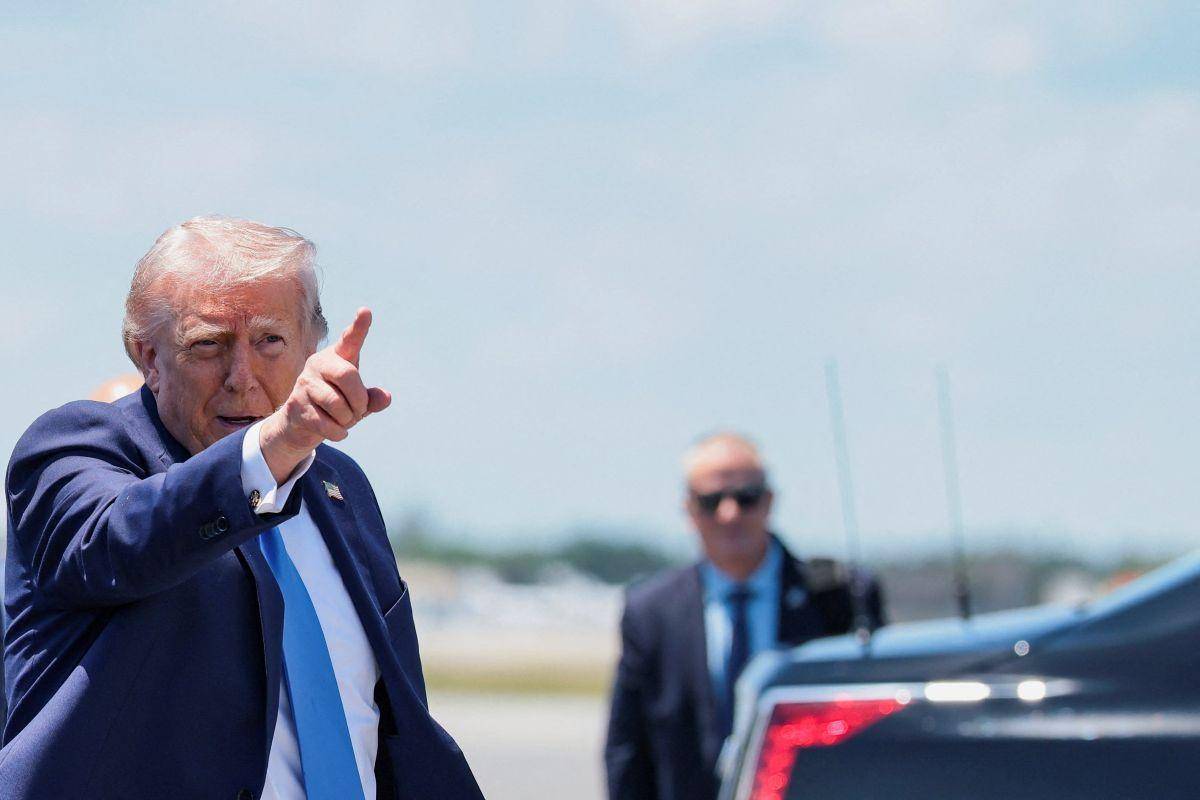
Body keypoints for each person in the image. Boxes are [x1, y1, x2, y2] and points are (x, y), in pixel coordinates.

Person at [2, 216, 484, 800]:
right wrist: (272, 447)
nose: (242, 377)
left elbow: (386, 715)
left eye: (270, 342)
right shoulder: (75, 447)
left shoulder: (340, 487)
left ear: (311, 348)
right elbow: (117, 541)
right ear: (148, 356)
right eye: (208, 345)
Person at [604, 432, 884, 800]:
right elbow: (627, 750)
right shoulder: (652, 612)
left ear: (769, 502)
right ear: (689, 510)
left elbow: (879, 730)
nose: (730, 513)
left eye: (745, 498)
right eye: (711, 501)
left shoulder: (838, 597)